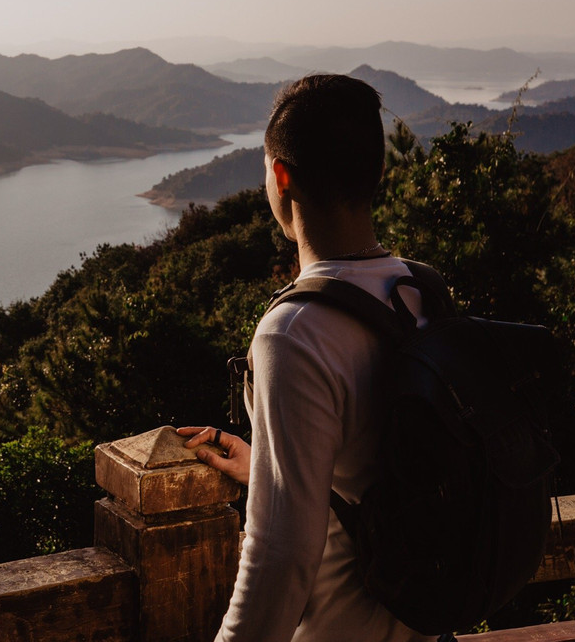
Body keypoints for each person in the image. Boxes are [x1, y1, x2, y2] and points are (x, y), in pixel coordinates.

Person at [179, 74, 436, 642]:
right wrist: (266, 467)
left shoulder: (294, 333)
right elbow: (387, 464)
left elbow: (279, 558)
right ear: (378, 172)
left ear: (281, 177)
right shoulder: (422, 291)